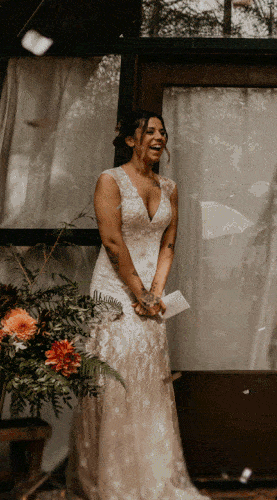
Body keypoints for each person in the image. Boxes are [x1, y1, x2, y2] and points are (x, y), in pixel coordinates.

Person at [69, 110, 207, 500]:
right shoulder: (109, 180)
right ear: (130, 140)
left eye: (163, 131)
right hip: (113, 290)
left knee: (149, 379)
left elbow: (169, 242)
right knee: (114, 379)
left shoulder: (170, 186)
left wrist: (156, 291)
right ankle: (109, 479)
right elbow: (112, 242)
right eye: (150, 131)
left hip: (152, 296)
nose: (158, 137)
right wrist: (137, 292)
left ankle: (153, 476)